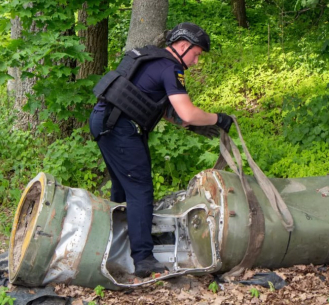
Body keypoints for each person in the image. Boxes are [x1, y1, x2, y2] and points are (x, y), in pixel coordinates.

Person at [89, 22, 233, 277]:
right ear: (182, 45)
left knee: (123, 188)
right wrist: (218, 118)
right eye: (197, 54)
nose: (197, 61)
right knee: (140, 190)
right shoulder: (171, 67)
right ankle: (143, 258)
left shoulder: (152, 59)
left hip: (107, 121)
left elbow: (159, 108)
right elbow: (186, 110)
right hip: (121, 127)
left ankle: (113, 245)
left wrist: (189, 126)